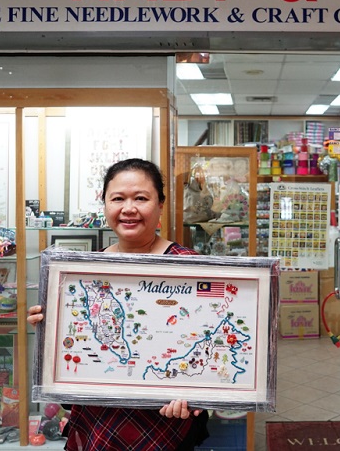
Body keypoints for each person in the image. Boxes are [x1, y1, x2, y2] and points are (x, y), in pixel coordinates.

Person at [28, 158, 210, 451]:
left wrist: (199, 393)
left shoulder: (190, 266)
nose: (128, 208)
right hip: (97, 420)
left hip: (163, 425)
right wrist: (52, 328)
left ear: (160, 205)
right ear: (104, 204)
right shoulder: (84, 271)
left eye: (141, 198)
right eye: (117, 199)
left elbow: (208, 342)